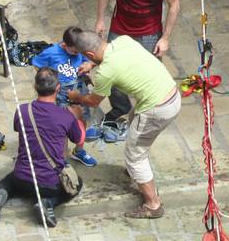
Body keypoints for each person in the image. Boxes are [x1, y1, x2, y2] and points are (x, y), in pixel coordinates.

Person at [68, 30, 180, 218]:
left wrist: (76, 96)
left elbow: (93, 101)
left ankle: (153, 205)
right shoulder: (124, 41)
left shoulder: (105, 73)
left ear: (89, 55)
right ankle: (138, 172)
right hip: (170, 93)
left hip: (157, 109)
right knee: (134, 120)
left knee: (134, 155)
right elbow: (111, 60)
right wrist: (91, 64)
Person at [0, 68, 85, 228]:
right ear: (58, 88)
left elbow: (19, 129)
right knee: (76, 184)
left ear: (34, 86)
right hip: (50, 184)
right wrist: (77, 118)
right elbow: (79, 139)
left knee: (7, 182)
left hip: (22, 179)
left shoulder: (22, 111)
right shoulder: (65, 116)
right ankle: (48, 203)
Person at [94, 0, 181, 126]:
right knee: (110, 68)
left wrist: (165, 38)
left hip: (149, 31)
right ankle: (120, 107)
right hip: (120, 26)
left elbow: (174, 4)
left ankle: (151, 110)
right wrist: (101, 18)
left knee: (151, 72)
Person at [31, 26, 97, 166]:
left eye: (79, 52)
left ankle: (79, 150)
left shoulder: (80, 49)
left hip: (78, 90)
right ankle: (63, 158)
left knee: (81, 120)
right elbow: (37, 64)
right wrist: (50, 80)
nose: (76, 54)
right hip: (60, 94)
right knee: (63, 126)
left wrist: (88, 66)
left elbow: (92, 60)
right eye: (74, 51)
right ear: (65, 44)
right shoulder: (51, 52)